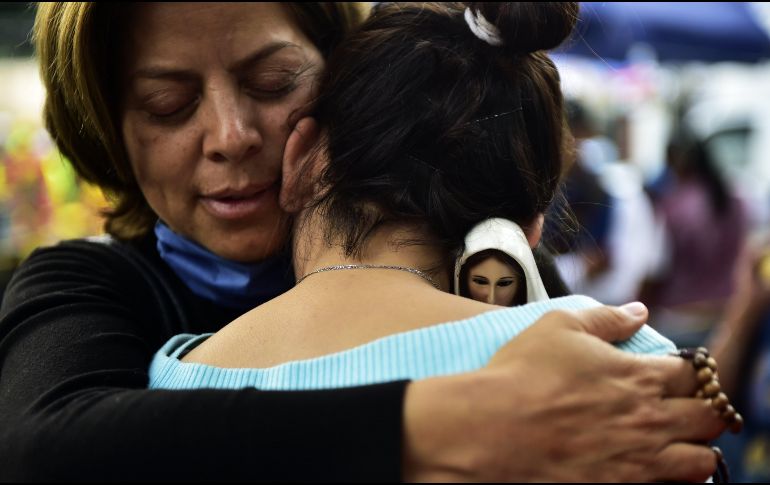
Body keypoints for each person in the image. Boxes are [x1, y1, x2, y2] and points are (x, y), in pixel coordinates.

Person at [0, 2, 725, 482]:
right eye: (169, 105)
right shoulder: (92, 287)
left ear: (343, 88)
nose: (231, 136)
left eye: (274, 81)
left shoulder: (491, 268)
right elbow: (48, 447)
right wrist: (453, 419)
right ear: (111, 133)